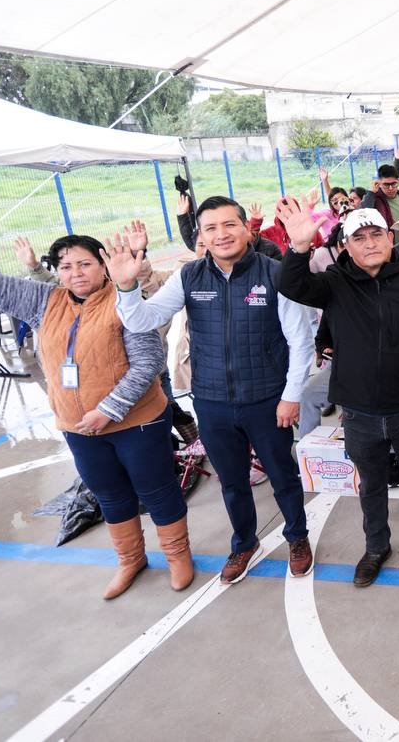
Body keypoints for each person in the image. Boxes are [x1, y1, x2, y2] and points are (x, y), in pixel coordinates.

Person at [0, 186, 193, 599]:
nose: (75, 272)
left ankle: (177, 556)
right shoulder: (44, 300)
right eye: (65, 266)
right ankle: (131, 560)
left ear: (104, 266)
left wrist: (108, 410)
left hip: (136, 422)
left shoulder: (124, 299)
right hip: (79, 427)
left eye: (85, 263)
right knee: (109, 494)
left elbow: (148, 362)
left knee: (156, 489)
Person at [109, 196, 315, 585]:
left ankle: (297, 538)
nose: (221, 234)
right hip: (212, 401)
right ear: (200, 235)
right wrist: (126, 286)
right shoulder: (189, 277)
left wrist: (291, 395)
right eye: (211, 228)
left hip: (268, 399)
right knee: (232, 480)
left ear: (246, 227)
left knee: (282, 475)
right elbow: (142, 320)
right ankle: (243, 543)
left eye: (229, 224)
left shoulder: (275, 273)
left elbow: (301, 340)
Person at [276, 202, 399, 586]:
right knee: (371, 485)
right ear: (346, 247)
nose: (370, 243)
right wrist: (300, 246)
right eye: (359, 237)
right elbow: (290, 284)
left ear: (391, 239)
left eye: (376, 234)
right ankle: (376, 546)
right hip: (359, 414)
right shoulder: (334, 284)